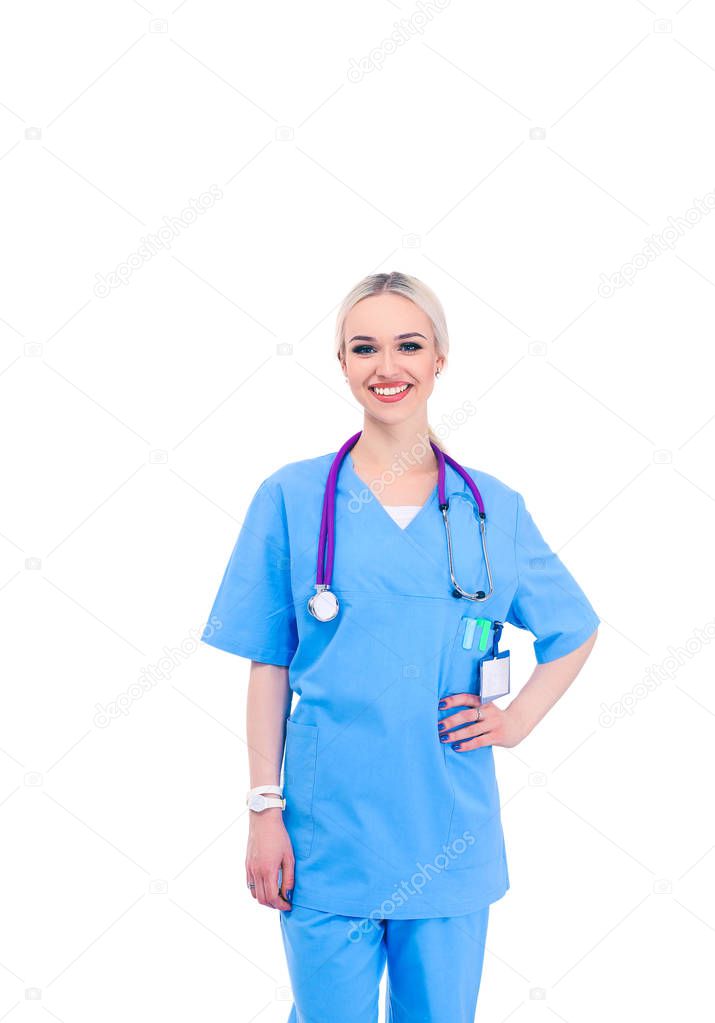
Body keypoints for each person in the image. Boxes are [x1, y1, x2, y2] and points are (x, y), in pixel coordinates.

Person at [200, 271, 600, 1022]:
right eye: (365, 348)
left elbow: (572, 629)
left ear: (440, 359)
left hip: (448, 830)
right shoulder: (290, 498)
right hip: (326, 837)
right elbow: (269, 662)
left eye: (408, 345)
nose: (388, 367)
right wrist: (262, 806)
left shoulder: (490, 508)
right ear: (342, 363)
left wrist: (515, 721)